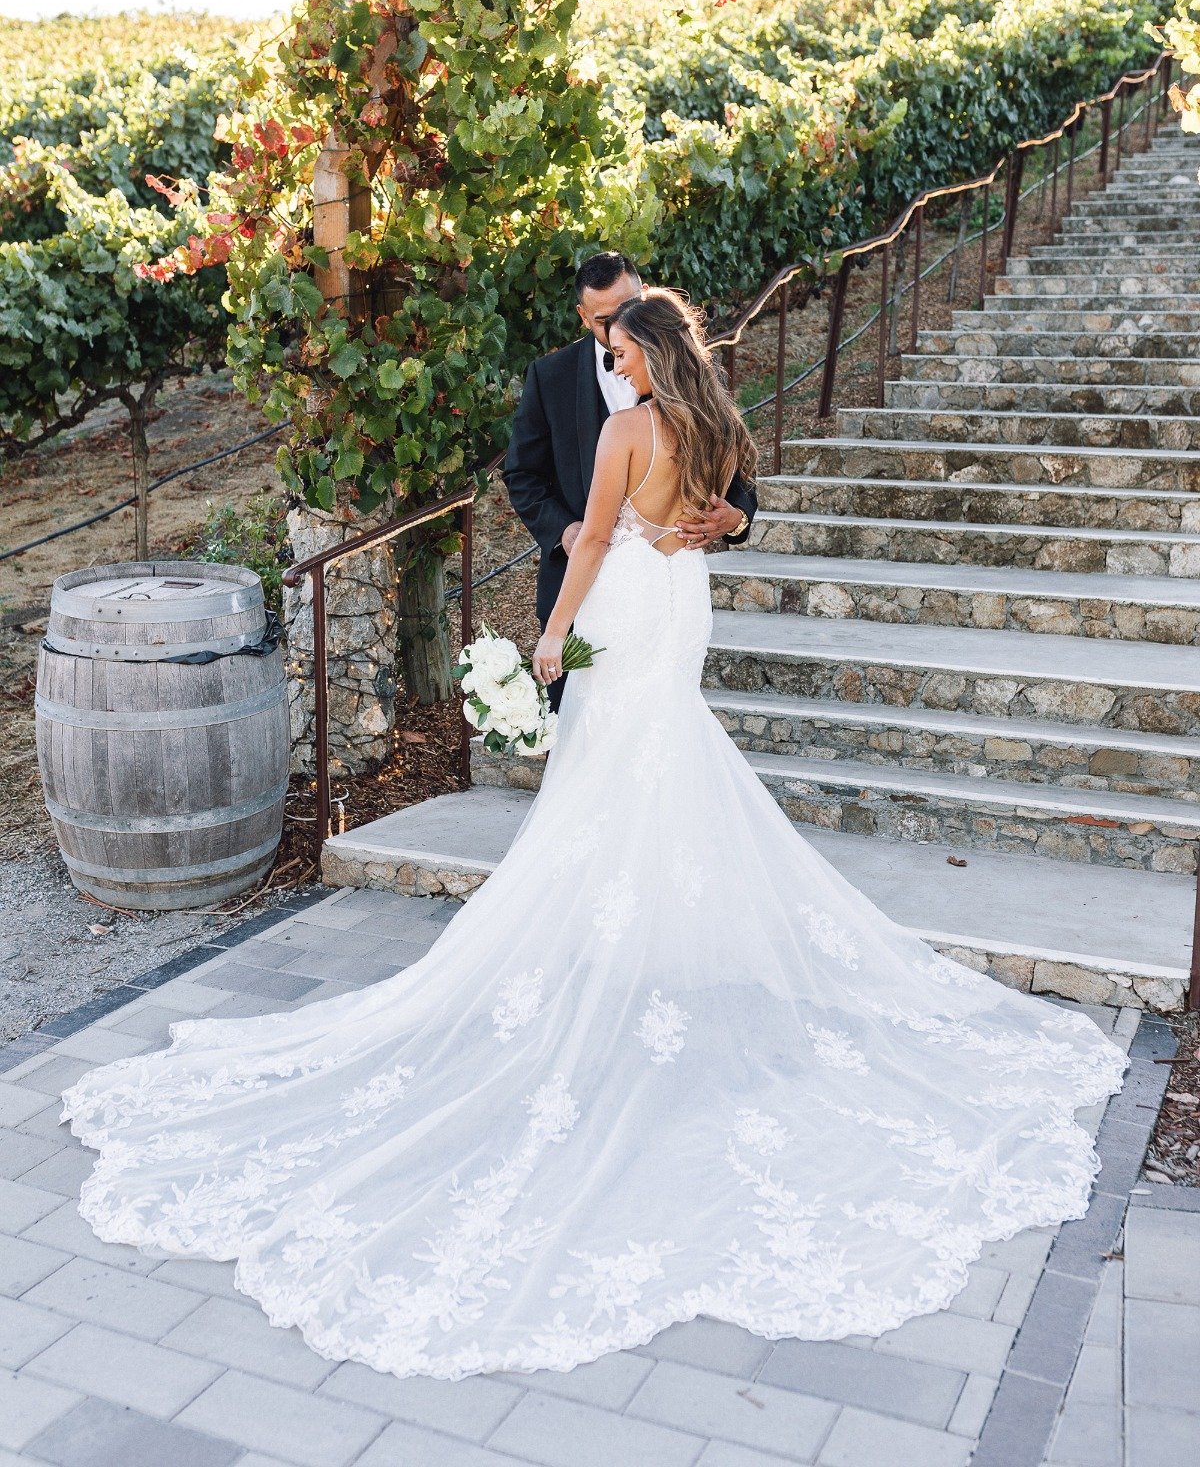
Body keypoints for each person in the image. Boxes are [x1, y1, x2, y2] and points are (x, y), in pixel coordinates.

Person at [62, 288, 1128, 1385]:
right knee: (654, 756)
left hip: (627, 596)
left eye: (620, 350)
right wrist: (707, 525)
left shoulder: (627, 429)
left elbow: (588, 548)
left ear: (651, 352)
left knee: (620, 760)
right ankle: (649, 938)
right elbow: (717, 512)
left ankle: (620, 946)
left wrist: (554, 631)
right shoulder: (716, 419)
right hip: (684, 599)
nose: (610, 368)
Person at [503, 251, 758, 706]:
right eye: (607, 319)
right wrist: (563, 529)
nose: (622, 324)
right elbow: (522, 473)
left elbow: (734, 474)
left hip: (652, 584)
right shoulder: (550, 376)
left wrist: (734, 518)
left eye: (630, 308)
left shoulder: (698, 385)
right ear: (583, 317)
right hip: (583, 579)